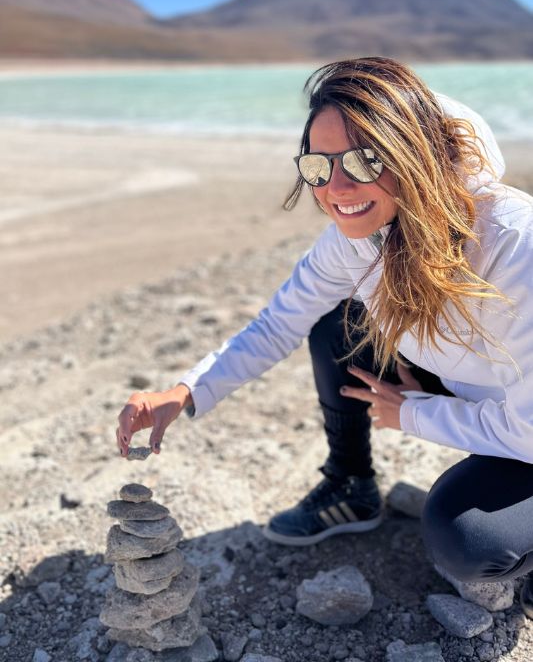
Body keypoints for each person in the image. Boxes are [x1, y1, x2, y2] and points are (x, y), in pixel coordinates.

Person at [116, 57, 533, 616]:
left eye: (365, 160)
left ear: (415, 152)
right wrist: (185, 391)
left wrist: (412, 413)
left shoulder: (513, 245)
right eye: (318, 165)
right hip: (483, 388)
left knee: (468, 540)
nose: (337, 186)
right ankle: (351, 488)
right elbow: (279, 322)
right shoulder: (357, 240)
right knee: (339, 327)